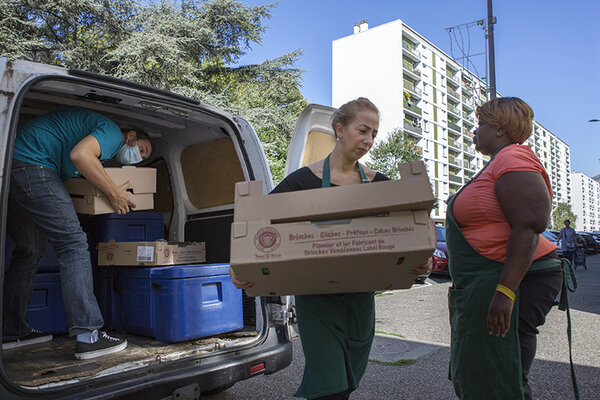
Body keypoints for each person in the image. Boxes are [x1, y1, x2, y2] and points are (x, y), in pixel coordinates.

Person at [230, 97, 432, 400]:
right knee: (327, 384)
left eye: (374, 134)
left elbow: (416, 224)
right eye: (363, 130)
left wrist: (422, 261)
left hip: (361, 300)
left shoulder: (381, 185)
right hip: (316, 299)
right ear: (340, 129)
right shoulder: (302, 181)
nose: (369, 140)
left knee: (349, 378)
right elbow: (257, 221)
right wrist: (239, 265)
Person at [3, 108, 152, 360]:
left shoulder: (100, 149)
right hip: (33, 163)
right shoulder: (113, 133)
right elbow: (80, 155)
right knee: (73, 243)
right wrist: (114, 194)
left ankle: (10, 330)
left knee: (30, 249)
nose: (138, 157)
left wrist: (109, 188)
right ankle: (88, 335)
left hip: (12, 163)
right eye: (143, 150)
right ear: (131, 137)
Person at [446, 97, 564, 400]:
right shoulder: (499, 160)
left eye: (481, 124)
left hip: (519, 281)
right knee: (490, 368)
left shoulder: (513, 158)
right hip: (493, 280)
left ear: (500, 130)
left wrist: (506, 292)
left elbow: (530, 223)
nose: (475, 131)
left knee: (504, 372)